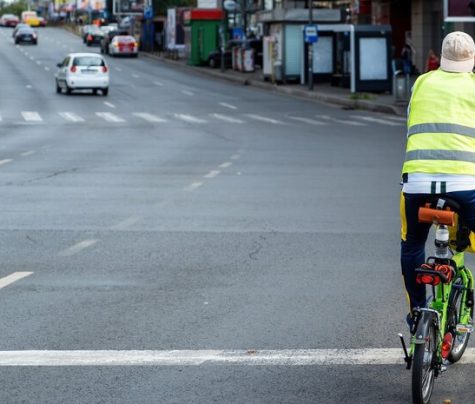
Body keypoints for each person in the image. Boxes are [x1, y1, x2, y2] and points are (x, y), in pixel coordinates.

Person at [400, 31, 475, 325]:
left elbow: (410, 125)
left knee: (412, 245)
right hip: (465, 186)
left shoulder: (422, 82)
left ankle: (418, 313)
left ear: (441, 59)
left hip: (418, 183)